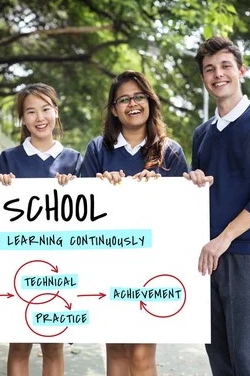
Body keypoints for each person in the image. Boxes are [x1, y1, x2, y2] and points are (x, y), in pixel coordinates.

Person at [184, 36, 250, 375]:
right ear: (203, 79)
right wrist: (195, 179)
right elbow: (205, 193)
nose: (218, 74)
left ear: (241, 70)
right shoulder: (202, 134)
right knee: (219, 359)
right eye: (209, 69)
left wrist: (225, 238)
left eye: (225, 66)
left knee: (246, 360)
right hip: (207, 256)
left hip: (247, 252)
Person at [80, 70, 188, 376]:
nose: (132, 104)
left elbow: (183, 213)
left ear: (150, 102)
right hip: (108, 262)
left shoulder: (170, 151)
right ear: (114, 109)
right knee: (115, 352)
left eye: (139, 97)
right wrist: (101, 184)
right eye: (123, 99)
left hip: (150, 265)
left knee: (141, 355)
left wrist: (166, 186)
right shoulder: (98, 149)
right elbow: (81, 210)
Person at [0, 83, 82, 376]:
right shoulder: (7, 159)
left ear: (55, 112)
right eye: (31, 111)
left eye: (45, 109)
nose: (39, 117)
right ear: (23, 119)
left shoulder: (75, 160)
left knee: (53, 344)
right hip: (18, 262)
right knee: (19, 344)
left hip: (60, 264)